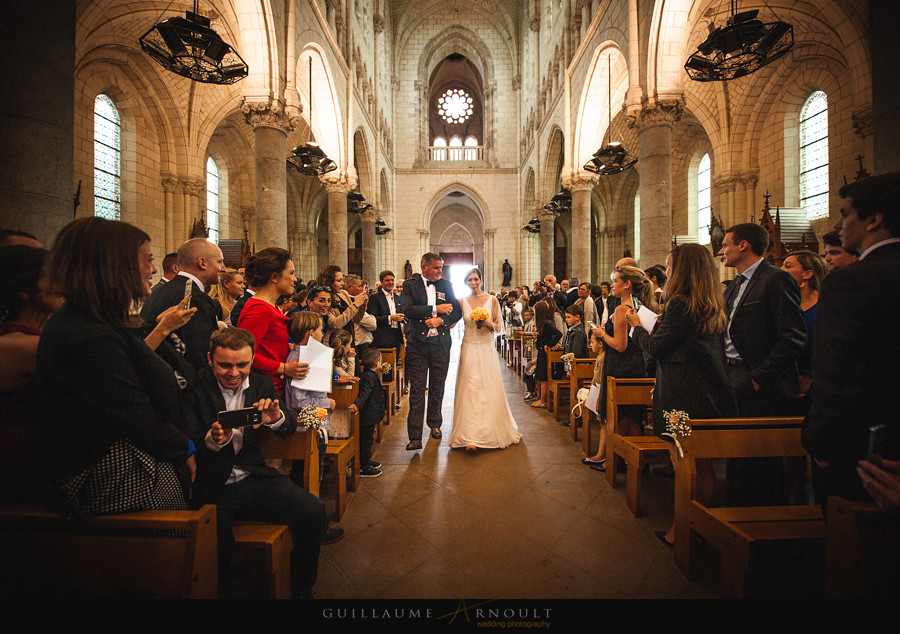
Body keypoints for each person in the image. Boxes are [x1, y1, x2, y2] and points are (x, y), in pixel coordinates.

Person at [38, 217, 194, 517]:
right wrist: (186, 449)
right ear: (113, 265)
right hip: (110, 478)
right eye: (147, 260)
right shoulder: (86, 334)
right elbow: (135, 416)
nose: (152, 270)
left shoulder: (95, 322)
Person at [184, 327, 327, 599]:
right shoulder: (195, 386)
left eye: (242, 365)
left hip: (253, 477)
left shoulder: (261, 383)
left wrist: (276, 419)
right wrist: (212, 439)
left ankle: (300, 590)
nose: (234, 373)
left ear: (252, 361)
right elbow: (185, 436)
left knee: (313, 511)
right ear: (209, 358)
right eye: (225, 365)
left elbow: (288, 424)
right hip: (213, 486)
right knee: (214, 544)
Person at [626, 244, 736, 545]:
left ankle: (683, 530)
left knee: (682, 462)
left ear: (683, 269)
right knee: (701, 464)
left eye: (670, 265)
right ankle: (699, 524)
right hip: (705, 392)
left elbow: (657, 347)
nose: (667, 271)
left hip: (680, 395)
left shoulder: (680, 304)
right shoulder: (711, 302)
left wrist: (637, 327)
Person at [802, 172, 900, 506]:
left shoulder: (851, 282)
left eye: (845, 213)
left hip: (868, 450)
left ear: (874, 219)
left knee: (856, 550)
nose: (839, 223)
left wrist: (823, 442)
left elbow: (839, 374)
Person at [718, 222, 806, 505]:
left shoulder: (775, 279)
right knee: (736, 451)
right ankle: (735, 515)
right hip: (732, 375)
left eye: (725, 244)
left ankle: (761, 523)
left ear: (743, 245)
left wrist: (758, 377)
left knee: (759, 459)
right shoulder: (735, 285)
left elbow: (792, 338)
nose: (722, 250)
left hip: (759, 382)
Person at [448, 268, 521, 451]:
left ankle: (488, 431)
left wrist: (486, 323)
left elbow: (498, 326)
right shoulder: (461, 301)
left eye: (475, 279)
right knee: (469, 388)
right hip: (469, 346)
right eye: (469, 280)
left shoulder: (492, 300)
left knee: (487, 387)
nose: (473, 283)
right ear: (465, 282)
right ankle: (469, 436)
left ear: (481, 280)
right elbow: (452, 322)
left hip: (486, 348)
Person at [399, 252, 462, 450]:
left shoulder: (446, 285)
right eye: (436, 268)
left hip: (440, 344)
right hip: (418, 344)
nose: (439, 271)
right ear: (424, 267)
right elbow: (408, 310)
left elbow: (457, 311)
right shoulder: (410, 285)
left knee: (437, 386)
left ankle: (435, 424)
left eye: (441, 268)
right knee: (417, 390)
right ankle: (415, 436)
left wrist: (442, 320)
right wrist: (435, 309)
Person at [140, 237, 226, 369]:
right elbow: (201, 355)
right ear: (202, 262)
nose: (223, 269)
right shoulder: (195, 298)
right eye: (219, 262)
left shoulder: (158, 291)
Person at [589, 266, 649, 444]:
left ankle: (619, 459)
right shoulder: (637, 303)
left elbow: (620, 345)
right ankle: (634, 461)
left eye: (616, 281)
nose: (612, 285)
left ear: (627, 284)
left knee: (620, 415)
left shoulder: (624, 308)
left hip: (621, 364)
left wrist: (602, 334)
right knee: (633, 414)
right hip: (635, 363)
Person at [237, 247, 309, 400]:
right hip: (265, 392)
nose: (295, 279)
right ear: (275, 277)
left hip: (275, 387)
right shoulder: (259, 309)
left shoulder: (271, 306)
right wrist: (284, 367)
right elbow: (244, 354)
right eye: (291, 273)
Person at [349, 346, 387, 476]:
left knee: (367, 439)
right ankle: (364, 466)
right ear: (377, 363)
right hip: (367, 415)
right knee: (366, 441)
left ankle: (366, 461)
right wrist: (357, 405)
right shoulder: (369, 377)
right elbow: (365, 393)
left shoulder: (367, 374)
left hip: (370, 414)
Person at [529, 300, 562, 409]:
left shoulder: (547, 324)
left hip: (544, 353)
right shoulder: (543, 323)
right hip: (541, 352)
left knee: (543, 378)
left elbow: (558, 334)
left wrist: (549, 344)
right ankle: (541, 398)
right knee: (540, 376)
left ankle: (543, 401)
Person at [369, 270, 405, 355]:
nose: (390, 282)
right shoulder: (375, 298)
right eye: (387, 280)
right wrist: (390, 318)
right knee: (385, 365)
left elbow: (401, 312)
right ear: (381, 282)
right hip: (382, 337)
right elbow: (372, 319)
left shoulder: (397, 298)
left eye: (392, 280)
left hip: (396, 335)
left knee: (395, 364)